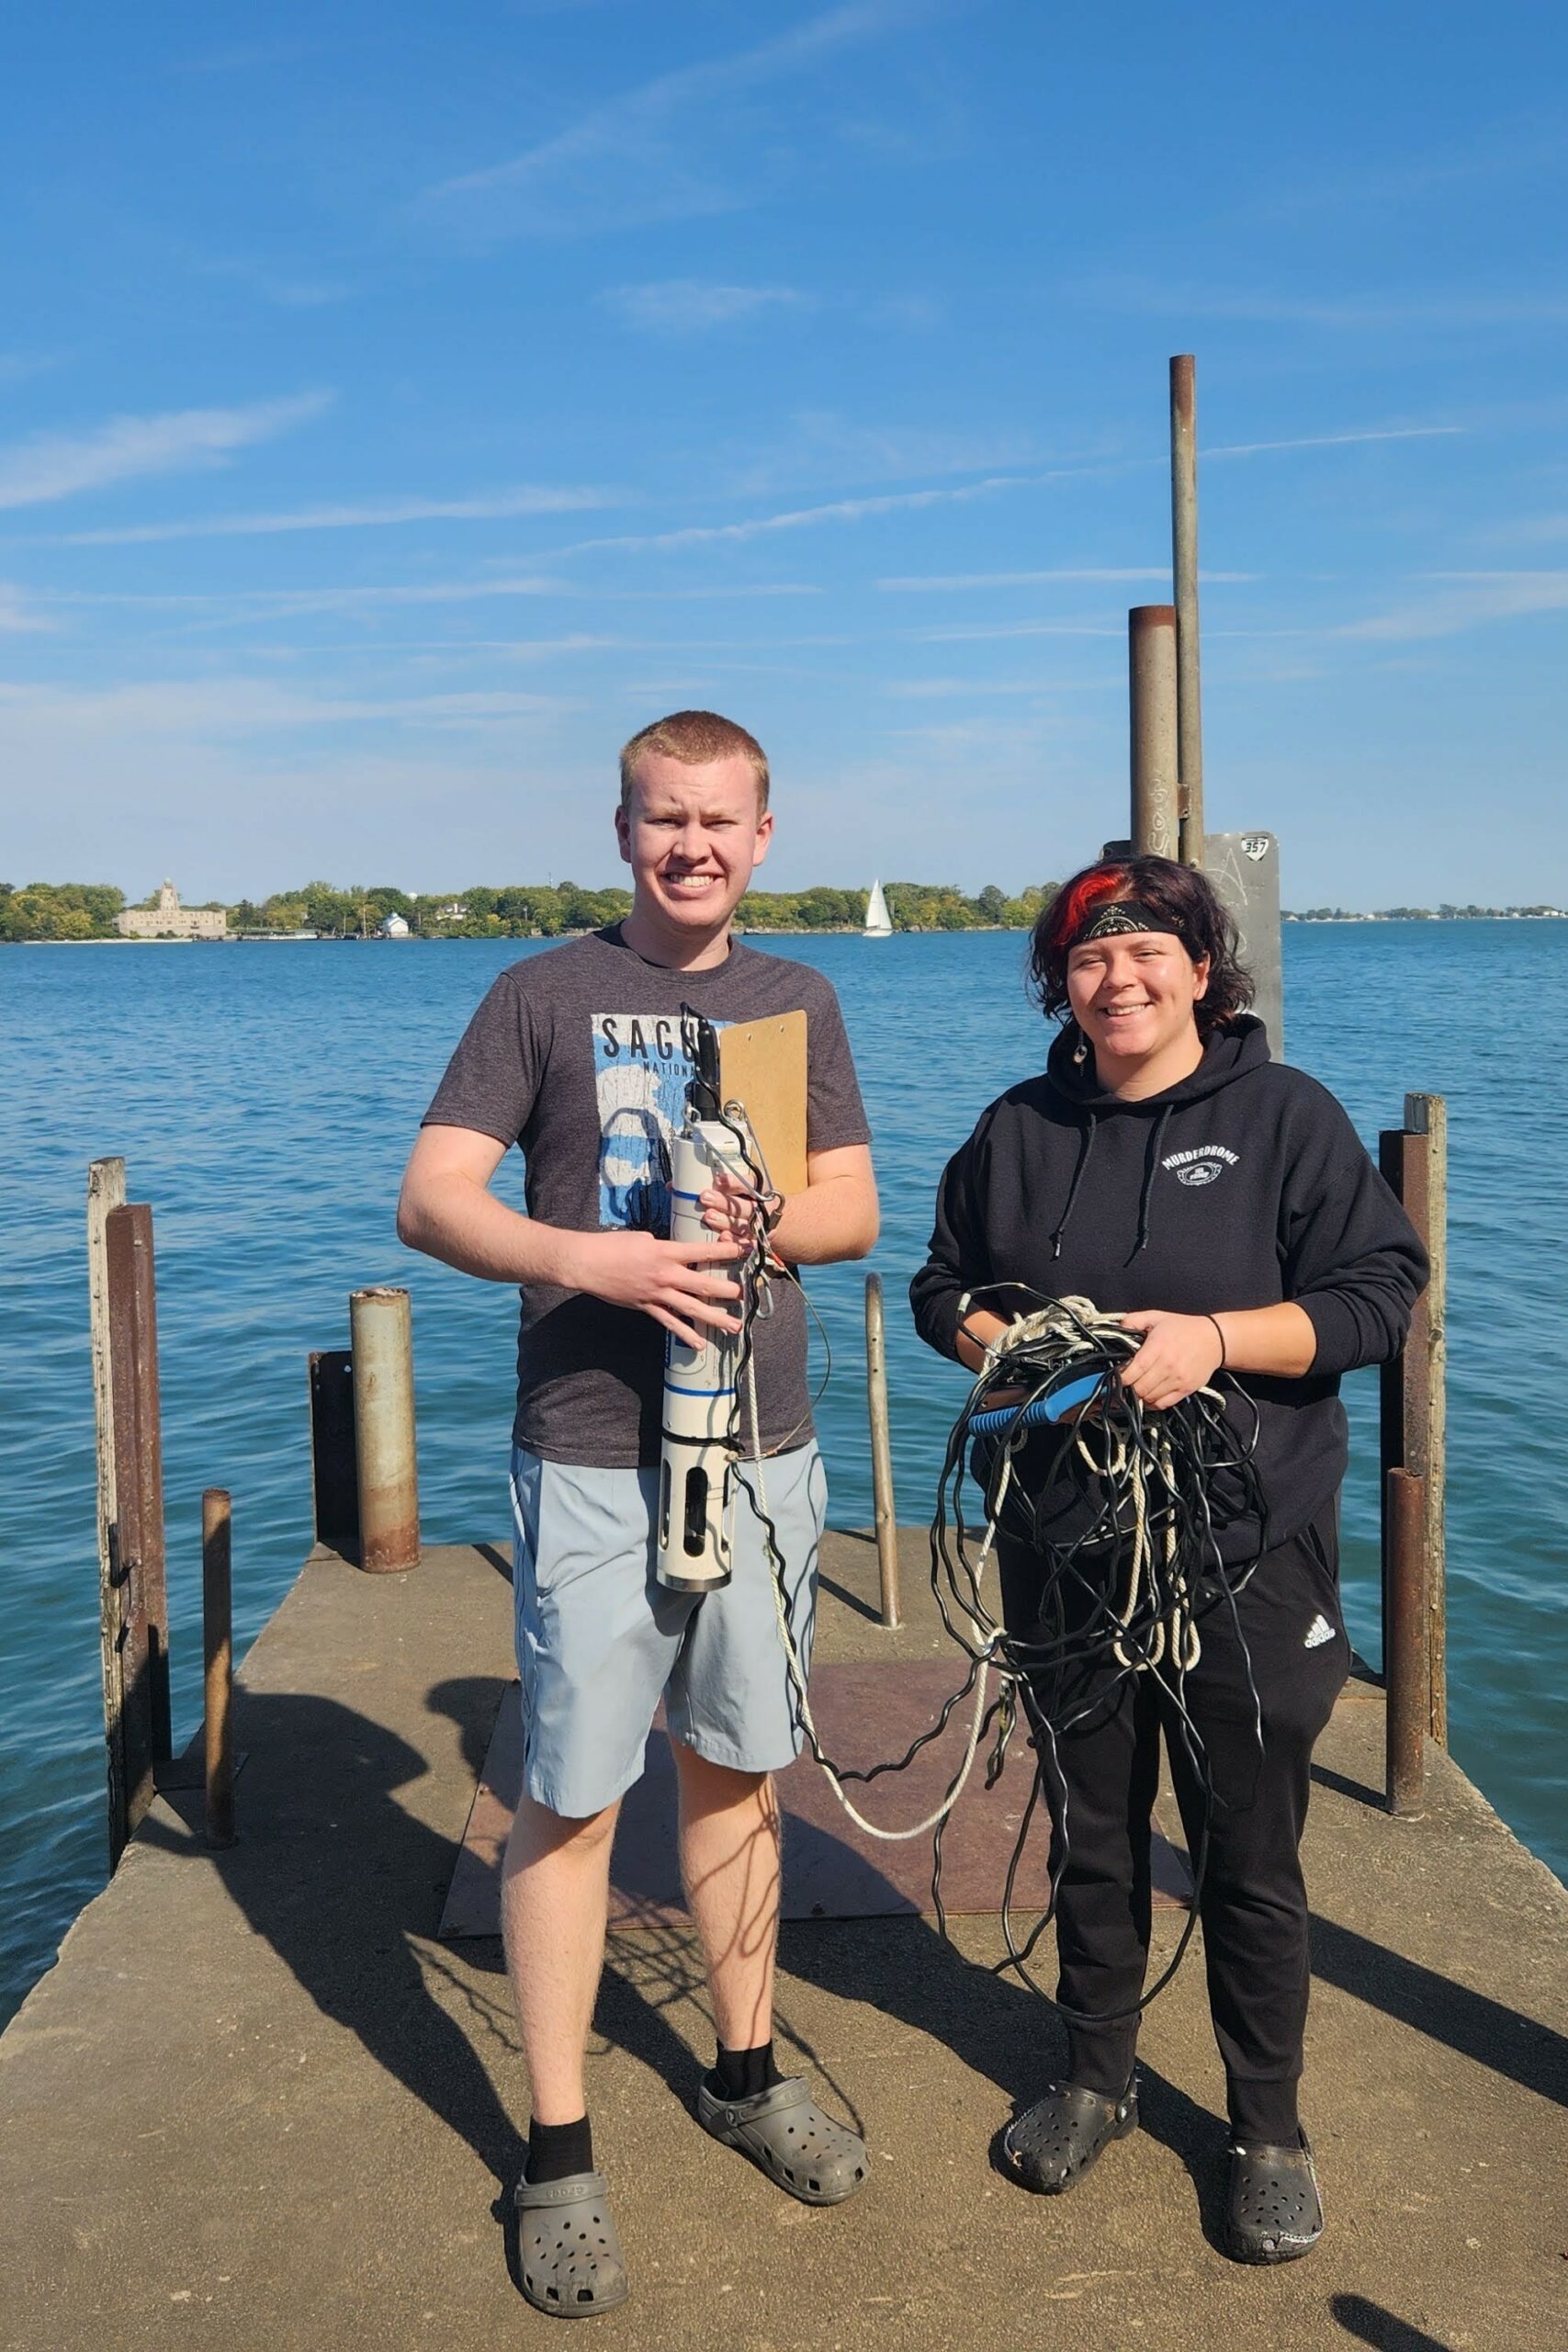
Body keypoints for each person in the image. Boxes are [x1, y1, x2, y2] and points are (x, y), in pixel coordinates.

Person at [398, 710, 878, 2318]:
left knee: (738, 1774)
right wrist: (590, 1256)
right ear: (621, 831)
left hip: (765, 1445)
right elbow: (435, 1193)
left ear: (763, 835)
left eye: (720, 822)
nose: (692, 846)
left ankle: (745, 2073)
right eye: (664, 820)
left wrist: (760, 1221)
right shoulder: (539, 994)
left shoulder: (796, 998)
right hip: (594, 1451)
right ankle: (556, 2149)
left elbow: (857, 1206)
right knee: (574, 1794)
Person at [909, 854, 1427, 2266]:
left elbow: (1381, 1293)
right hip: (1064, 1544)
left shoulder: (1286, 1119)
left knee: (1249, 1851)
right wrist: (990, 1342)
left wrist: (1215, 1338)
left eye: (1147, 953)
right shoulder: (1015, 1128)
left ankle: (1268, 2128)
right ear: (1059, 984)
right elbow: (940, 1284)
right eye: (1088, 958)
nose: (1118, 978)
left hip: (1244, 1546)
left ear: (1205, 969)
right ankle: (1095, 2075)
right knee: (1090, 1827)